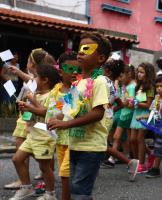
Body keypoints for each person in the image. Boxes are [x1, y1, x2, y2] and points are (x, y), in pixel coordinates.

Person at [47, 32, 112, 199]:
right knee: (76, 188)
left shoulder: (100, 81)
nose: (80, 52)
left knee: (79, 192)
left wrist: (65, 125)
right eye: (79, 48)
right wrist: (57, 119)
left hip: (91, 147)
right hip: (75, 144)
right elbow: (69, 110)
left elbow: (98, 113)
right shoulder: (78, 83)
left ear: (100, 57)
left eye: (87, 48)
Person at [4, 49, 56, 190]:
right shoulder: (39, 78)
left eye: (28, 60)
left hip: (30, 115)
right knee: (32, 148)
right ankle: (43, 175)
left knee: (23, 145)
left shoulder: (39, 80)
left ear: (32, 64)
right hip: (28, 115)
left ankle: (26, 180)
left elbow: (43, 108)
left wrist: (19, 73)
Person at [10, 63, 61, 200]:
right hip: (32, 136)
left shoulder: (52, 95)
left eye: (36, 77)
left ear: (45, 80)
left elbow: (46, 113)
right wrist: (24, 109)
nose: (33, 80)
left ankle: (51, 194)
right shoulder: (36, 94)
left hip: (44, 137)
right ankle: (26, 188)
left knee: (44, 167)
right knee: (17, 159)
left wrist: (31, 102)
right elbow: (30, 116)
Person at [46, 51, 79, 200]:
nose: (75, 73)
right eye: (70, 69)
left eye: (78, 69)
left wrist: (60, 115)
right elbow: (52, 109)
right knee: (63, 173)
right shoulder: (56, 91)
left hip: (74, 137)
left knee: (65, 173)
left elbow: (76, 110)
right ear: (60, 71)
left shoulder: (79, 89)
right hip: (60, 138)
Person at [136, 75, 162, 178]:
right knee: (161, 146)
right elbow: (152, 113)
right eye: (157, 86)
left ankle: (156, 169)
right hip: (156, 127)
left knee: (158, 146)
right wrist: (142, 116)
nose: (159, 88)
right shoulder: (156, 99)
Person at [129, 62, 156, 173]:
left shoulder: (149, 87)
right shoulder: (138, 86)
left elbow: (149, 105)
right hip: (136, 113)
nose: (139, 74)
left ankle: (141, 164)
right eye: (138, 72)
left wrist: (136, 103)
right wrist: (132, 103)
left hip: (144, 115)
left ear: (147, 74)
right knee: (132, 139)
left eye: (142, 72)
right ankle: (144, 157)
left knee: (140, 139)